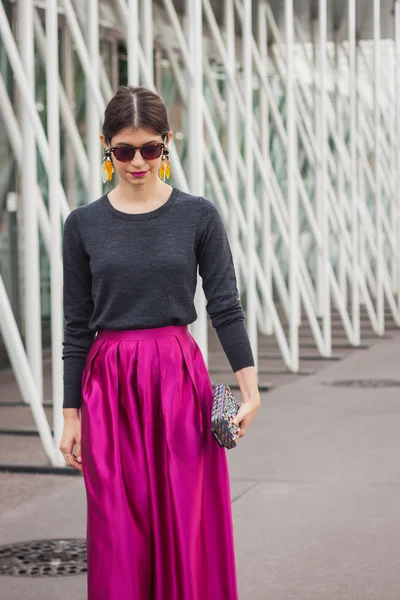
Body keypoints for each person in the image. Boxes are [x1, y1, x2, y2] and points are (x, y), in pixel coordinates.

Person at [59, 85, 260, 600]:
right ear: (105, 146)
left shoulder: (198, 216)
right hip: (109, 386)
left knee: (185, 523)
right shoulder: (82, 225)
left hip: (178, 383)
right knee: (117, 534)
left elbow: (225, 306)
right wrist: (70, 415)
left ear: (167, 144)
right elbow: (77, 324)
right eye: (124, 150)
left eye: (151, 148)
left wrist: (250, 390)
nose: (138, 162)